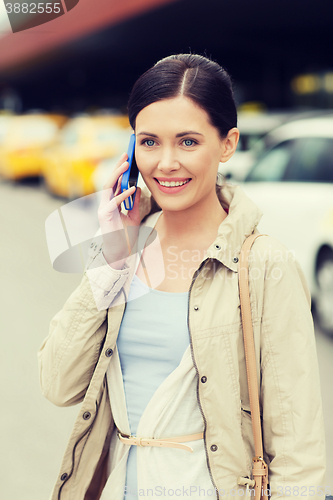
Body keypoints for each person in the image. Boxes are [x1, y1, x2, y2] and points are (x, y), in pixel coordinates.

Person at [38, 54, 326, 500]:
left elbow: (298, 440)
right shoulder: (122, 255)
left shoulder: (265, 265)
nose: (166, 163)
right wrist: (110, 249)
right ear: (132, 150)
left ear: (227, 144)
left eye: (188, 142)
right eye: (150, 142)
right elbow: (58, 383)